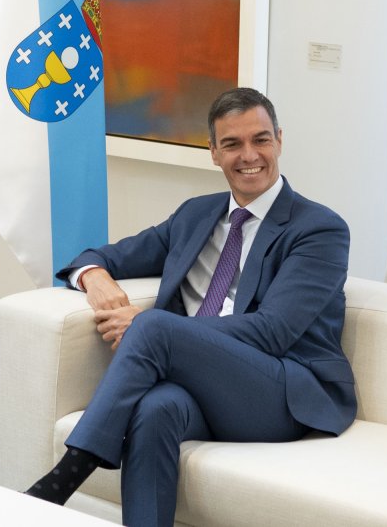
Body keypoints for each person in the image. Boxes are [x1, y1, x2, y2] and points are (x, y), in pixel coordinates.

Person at [25, 88, 354, 526]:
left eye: (260, 139)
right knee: (155, 410)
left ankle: (59, 483)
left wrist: (160, 329)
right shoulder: (195, 216)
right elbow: (101, 255)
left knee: (154, 326)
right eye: (232, 144)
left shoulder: (319, 229)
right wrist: (94, 277)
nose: (249, 155)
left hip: (282, 391)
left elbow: (273, 331)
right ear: (214, 153)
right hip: (203, 385)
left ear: (279, 140)